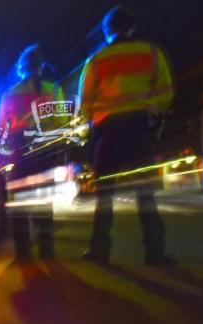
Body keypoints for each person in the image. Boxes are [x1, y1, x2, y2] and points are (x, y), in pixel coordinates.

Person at [77, 6, 175, 265]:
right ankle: (155, 253)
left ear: (107, 32)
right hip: (139, 129)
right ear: (132, 28)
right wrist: (151, 112)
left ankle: (99, 252)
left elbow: (85, 102)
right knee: (146, 194)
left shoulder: (96, 60)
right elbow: (165, 92)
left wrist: (96, 120)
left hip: (108, 132)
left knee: (105, 195)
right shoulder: (151, 53)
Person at [0, 44, 67, 261]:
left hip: (21, 150)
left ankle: (23, 253)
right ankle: (47, 251)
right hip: (46, 150)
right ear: (41, 67)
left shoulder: (9, 94)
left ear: (20, 67)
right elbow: (62, 121)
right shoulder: (53, 89)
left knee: (21, 201)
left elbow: (3, 127)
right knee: (44, 202)